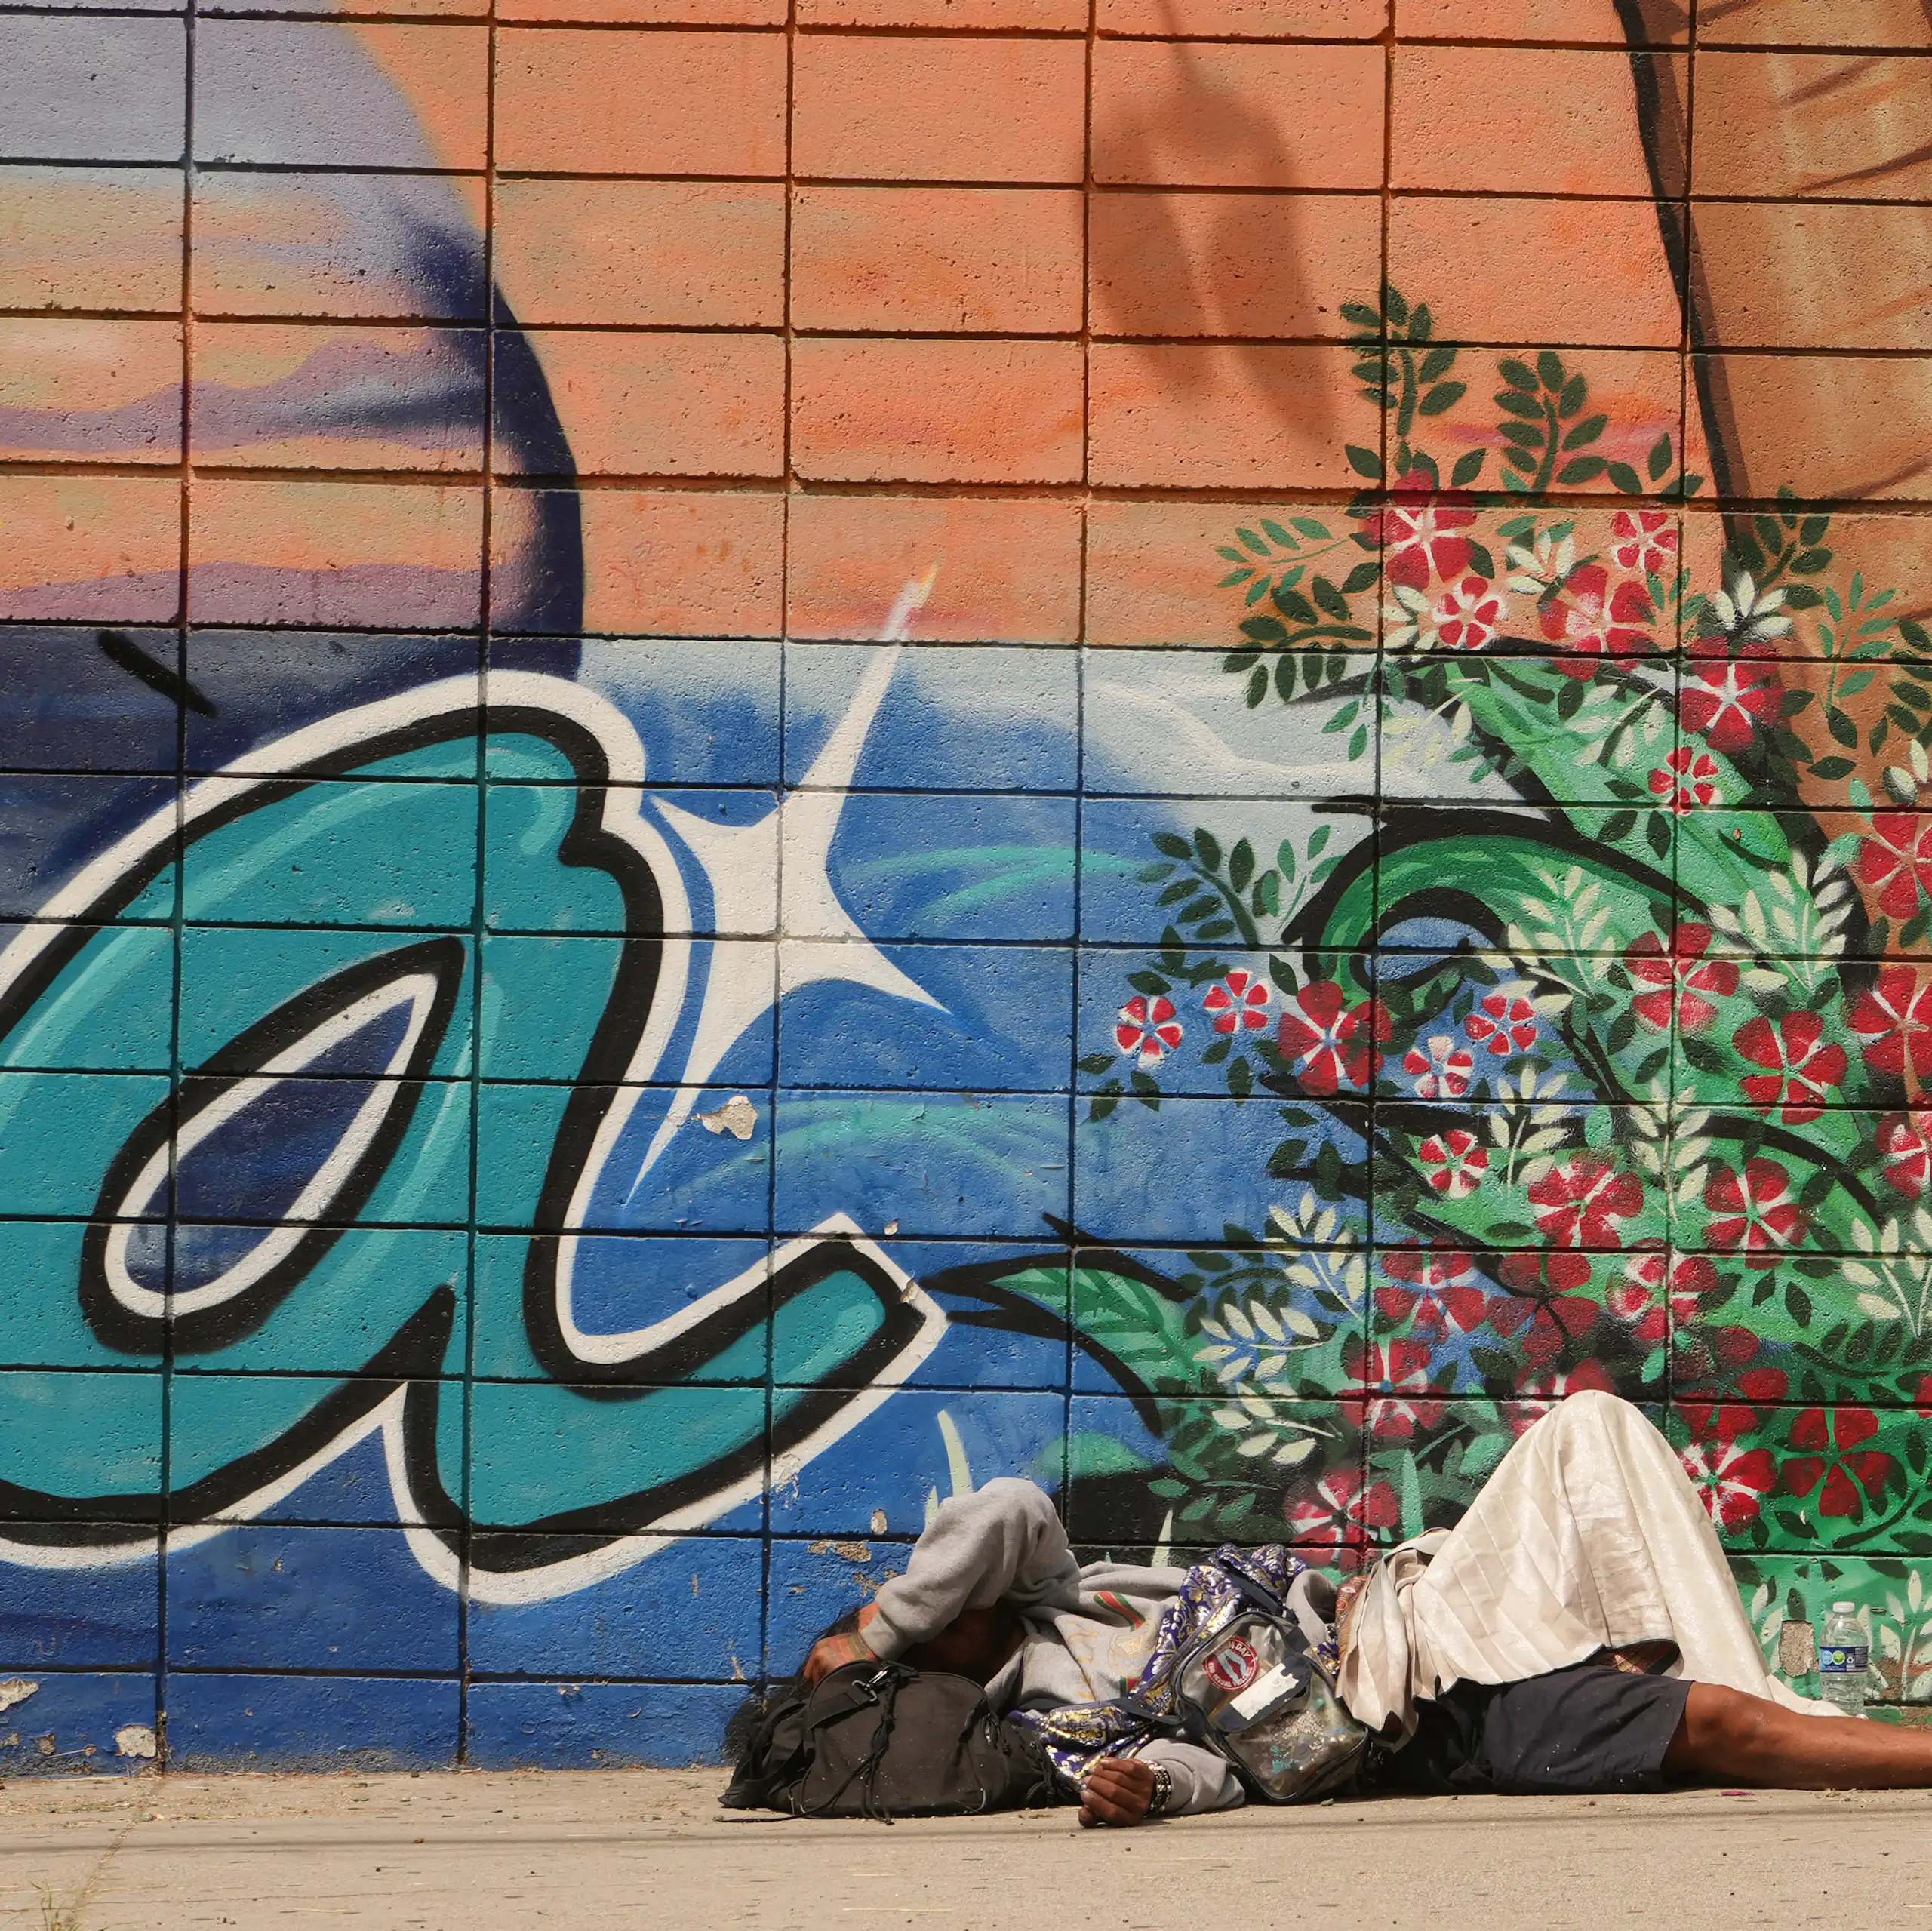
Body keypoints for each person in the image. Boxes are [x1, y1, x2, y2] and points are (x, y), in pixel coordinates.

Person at [797, 1393, 1932, 1823]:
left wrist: (875, 1633)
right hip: (1408, 1721)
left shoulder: (1058, 1594)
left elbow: (998, 1507)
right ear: (936, 1668)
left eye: (915, 1595)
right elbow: (1220, 1772)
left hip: (1406, 1613)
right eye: (915, 1611)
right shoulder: (1050, 1722)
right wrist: (1138, 1790)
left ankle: (1639, 1656)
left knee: (1591, 1430)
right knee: (1723, 1725)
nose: (929, 1587)